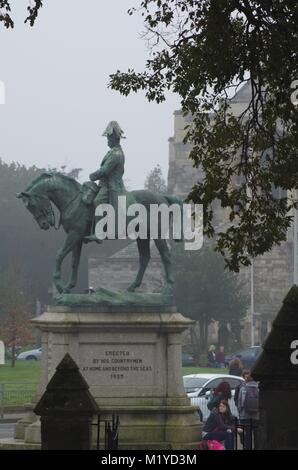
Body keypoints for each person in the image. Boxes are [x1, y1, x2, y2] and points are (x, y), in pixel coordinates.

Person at [84, 121, 126, 242]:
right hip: (104, 184)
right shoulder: (112, 152)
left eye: (108, 138)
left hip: (111, 185)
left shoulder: (116, 154)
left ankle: (99, 233)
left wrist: (92, 176)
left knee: (98, 201)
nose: (107, 140)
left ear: (113, 139)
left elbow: (105, 170)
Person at [237, 374, 260, 449]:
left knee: (247, 434)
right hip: (256, 416)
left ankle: (248, 448)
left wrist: (240, 413)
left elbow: (240, 403)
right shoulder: (259, 389)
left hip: (245, 415)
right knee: (256, 433)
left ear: (247, 380)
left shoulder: (243, 389)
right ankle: (257, 448)